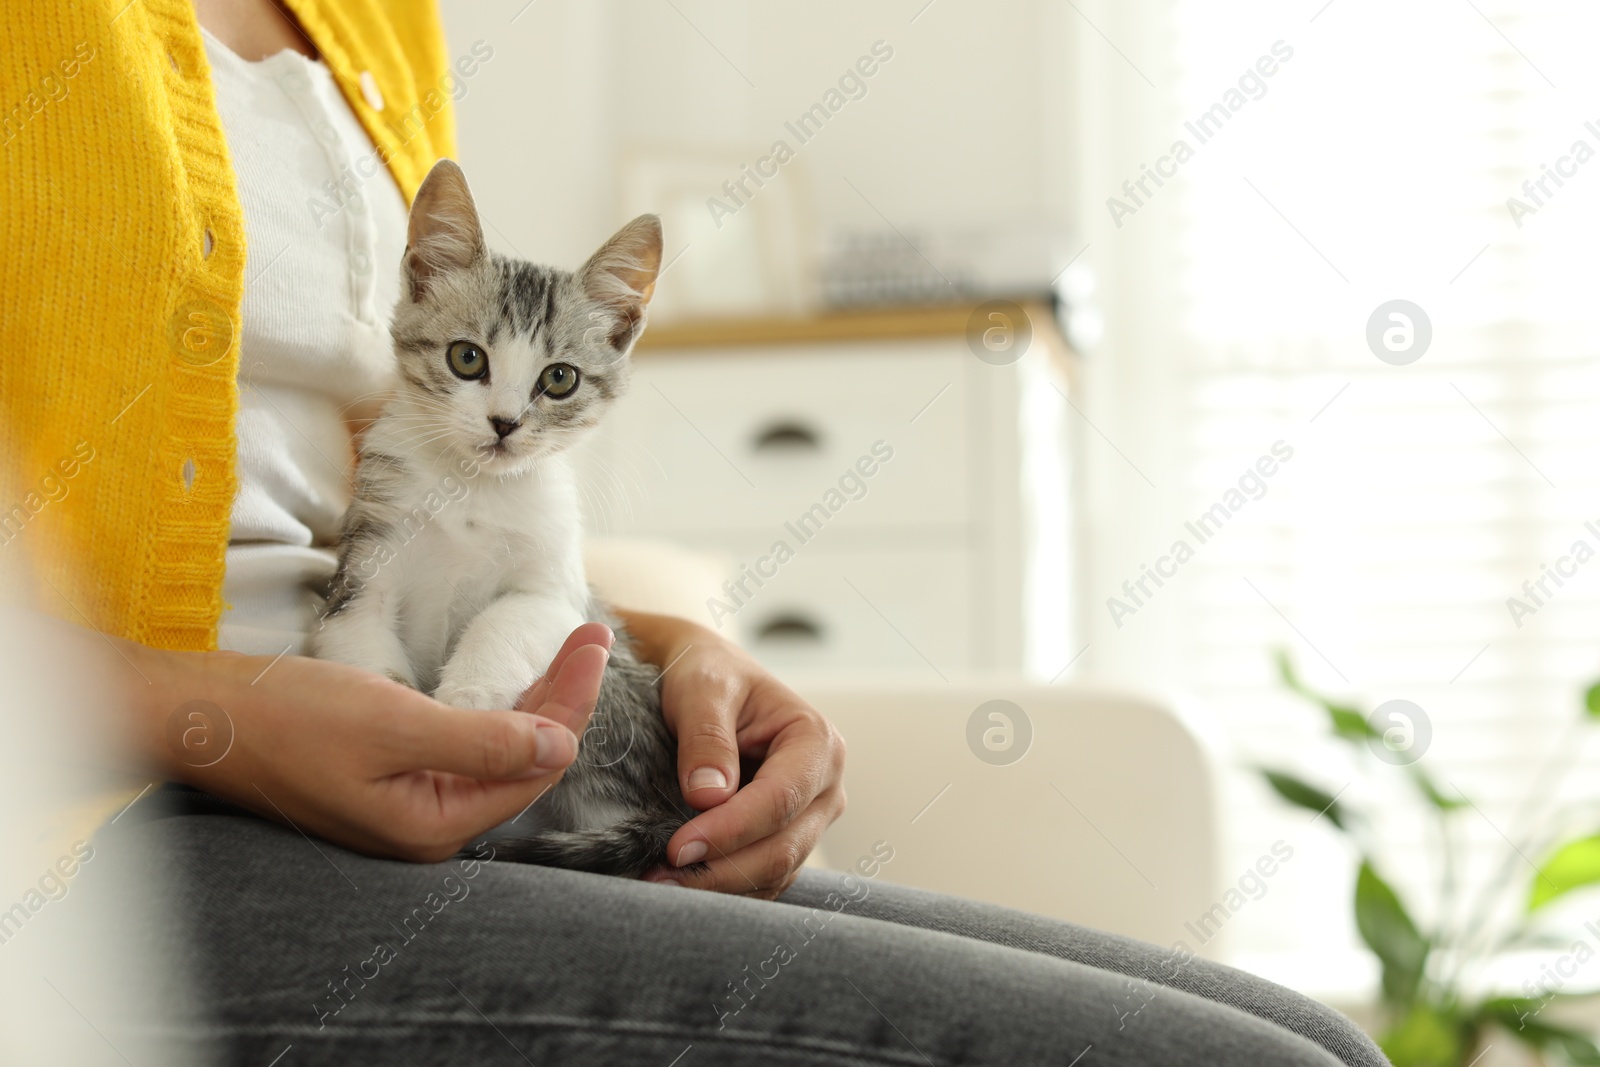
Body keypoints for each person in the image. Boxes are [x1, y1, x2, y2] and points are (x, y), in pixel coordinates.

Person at [0, 1, 1389, 1063]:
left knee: (1316, 1040)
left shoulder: (375, 19)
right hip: (95, 837)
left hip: (403, 759)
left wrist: (663, 648)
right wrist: (215, 715)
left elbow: (415, 491)